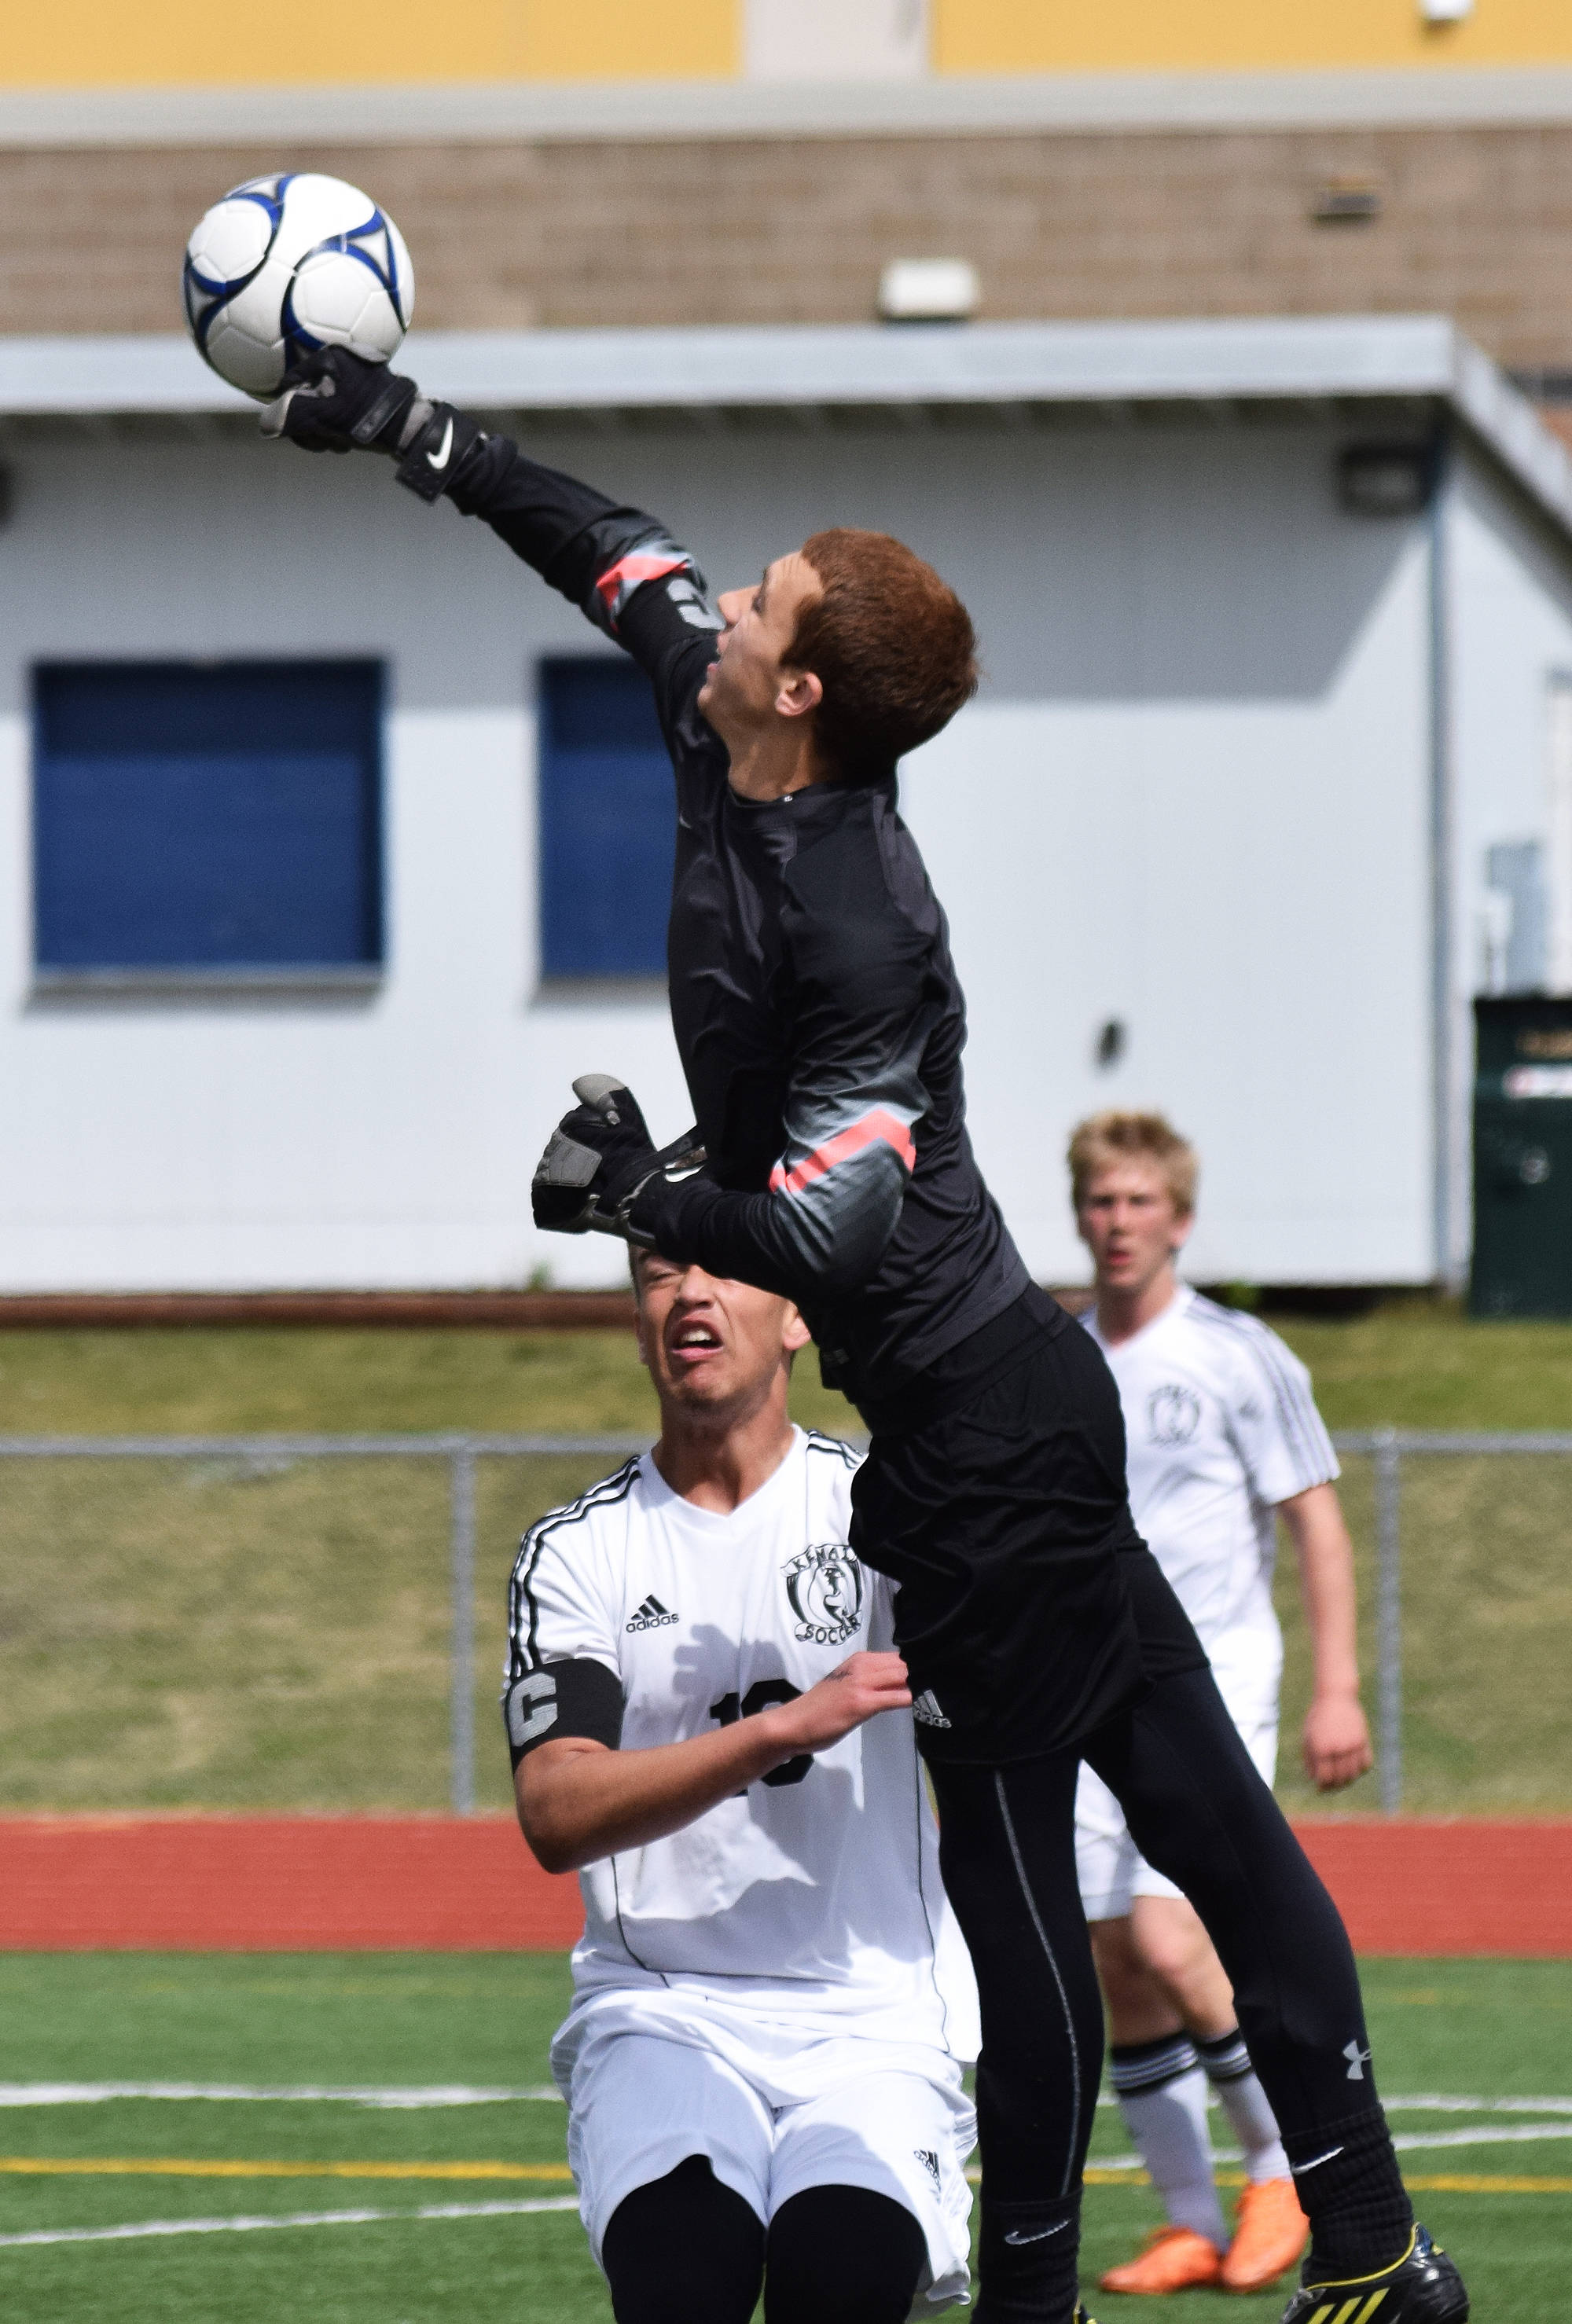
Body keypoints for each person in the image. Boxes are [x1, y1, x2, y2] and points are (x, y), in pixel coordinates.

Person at [267, 346, 1467, 2324]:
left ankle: (1058, 2298)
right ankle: (1367, 2254)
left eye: (767, 600)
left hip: (987, 1455)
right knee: (1202, 1830)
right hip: (1011, 1418)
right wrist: (419, 433)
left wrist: (638, 1198)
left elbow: (832, 1218)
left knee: (1021, 1926)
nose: (724, 603)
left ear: (801, 690)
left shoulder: (867, 923)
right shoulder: (710, 711)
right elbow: (614, 554)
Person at [501, 1246, 979, 2323]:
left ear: (800, 1315)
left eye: (724, 1269)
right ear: (636, 1322)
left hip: (874, 2017)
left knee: (840, 2281)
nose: (690, 1295)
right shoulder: (580, 1549)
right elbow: (556, 1811)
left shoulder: (887, 1511)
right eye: (660, 1274)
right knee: (684, 2280)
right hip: (663, 2008)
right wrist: (779, 1728)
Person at [1069, 1111, 1374, 2296]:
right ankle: (1192, 2216)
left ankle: (1277, 2174)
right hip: (1090, 1687)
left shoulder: (1240, 1353)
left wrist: (1337, 1685)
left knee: (1164, 1929)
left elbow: (1317, 1521)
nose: (1118, 1221)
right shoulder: (1063, 1355)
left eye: (1140, 1202)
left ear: (1179, 1219)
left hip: (1214, 1676)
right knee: (1113, 1950)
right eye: (1101, 1201)